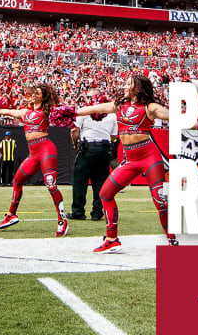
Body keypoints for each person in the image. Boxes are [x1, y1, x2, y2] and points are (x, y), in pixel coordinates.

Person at [75, 74, 176, 253]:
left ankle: (172, 239)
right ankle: (112, 239)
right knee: (105, 194)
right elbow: (92, 109)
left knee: (160, 201)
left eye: (128, 83)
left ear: (138, 88)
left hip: (149, 157)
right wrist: (66, 112)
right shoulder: (118, 105)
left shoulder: (150, 107)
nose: (124, 85)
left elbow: (176, 117)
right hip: (130, 160)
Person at [0, 84, 68, 237]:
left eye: (37, 93)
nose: (33, 95)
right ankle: (12, 214)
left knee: (51, 184)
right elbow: (8, 112)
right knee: (17, 181)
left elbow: (66, 112)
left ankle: (62, 221)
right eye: (33, 93)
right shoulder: (25, 112)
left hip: (46, 149)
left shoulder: (48, 111)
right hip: (33, 153)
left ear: (44, 97)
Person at [69, 90, 116, 221]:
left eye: (88, 96)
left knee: (80, 180)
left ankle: (78, 211)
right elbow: (113, 136)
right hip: (104, 148)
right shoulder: (111, 114)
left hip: (87, 148)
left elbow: (74, 131)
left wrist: (75, 144)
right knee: (100, 182)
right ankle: (97, 212)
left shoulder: (84, 110)